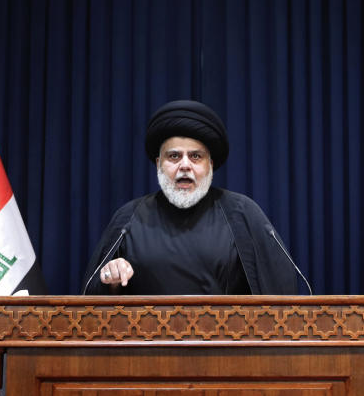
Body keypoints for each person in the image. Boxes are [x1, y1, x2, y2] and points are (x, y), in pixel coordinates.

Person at [83, 99, 300, 295]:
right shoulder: (128, 217)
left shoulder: (241, 212)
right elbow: (89, 305)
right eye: (174, 156)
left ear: (210, 165)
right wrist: (111, 280)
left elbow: (282, 289)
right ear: (158, 164)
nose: (185, 165)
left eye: (196, 156)